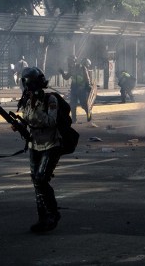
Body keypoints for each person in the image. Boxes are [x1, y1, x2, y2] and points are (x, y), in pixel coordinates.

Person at [18, 67, 62, 233]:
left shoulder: (50, 99)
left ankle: (53, 213)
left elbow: (51, 121)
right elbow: (26, 119)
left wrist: (37, 108)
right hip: (34, 145)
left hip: (50, 145)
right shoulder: (27, 100)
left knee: (41, 179)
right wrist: (19, 125)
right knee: (36, 182)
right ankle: (42, 218)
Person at [59, 55, 92, 123]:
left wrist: (88, 85)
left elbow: (87, 77)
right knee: (73, 105)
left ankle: (88, 114)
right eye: (69, 62)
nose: (70, 63)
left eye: (71, 61)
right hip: (74, 89)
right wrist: (62, 73)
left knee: (83, 104)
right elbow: (66, 77)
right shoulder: (71, 69)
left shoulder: (82, 67)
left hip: (81, 89)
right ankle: (74, 119)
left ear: (74, 61)